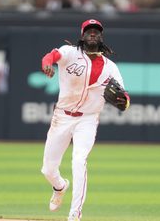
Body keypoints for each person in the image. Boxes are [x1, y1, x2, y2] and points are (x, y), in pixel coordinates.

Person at [40, 19, 130, 221]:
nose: (92, 33)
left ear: (101, 37)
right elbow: (51, 56)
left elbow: (124, 95)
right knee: (47, 169)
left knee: (79, 160)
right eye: (89, 30)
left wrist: (124, 101)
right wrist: (46, 64)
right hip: (62, 116)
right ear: (82, 35)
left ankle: (74, 215)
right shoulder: (70, 53)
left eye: (96, 31)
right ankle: (60, 186)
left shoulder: (110, 67)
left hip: (87, 120)